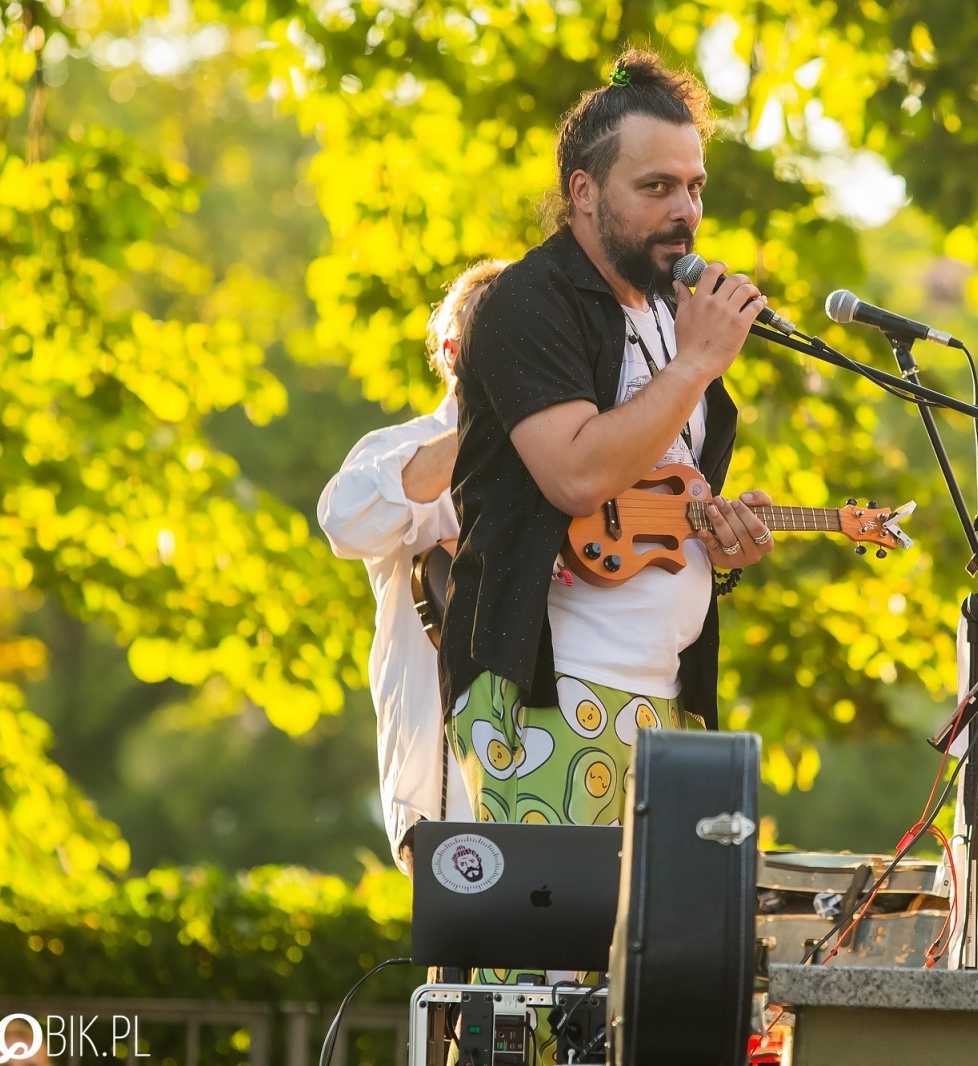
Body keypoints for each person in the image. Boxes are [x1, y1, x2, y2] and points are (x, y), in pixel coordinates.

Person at [440, 48, 776, 836]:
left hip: (661, 694)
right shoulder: (527, 301)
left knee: (645, 956)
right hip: (547, 692)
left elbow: (646, 494)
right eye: (655, 187)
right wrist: (697, 363)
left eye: (694, 187)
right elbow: (577, 476)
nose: (684, 210)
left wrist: (714, 539)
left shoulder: (670, 317)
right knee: (546, 958)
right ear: (583, 193)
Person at [318, 259, 507, 876]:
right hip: (441, 775)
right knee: (460, 960)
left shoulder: (570, 454)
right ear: (452, 351)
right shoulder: (394, 449)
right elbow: (344, 520)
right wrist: (492, 426)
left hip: (551, 749)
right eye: (500, 339)